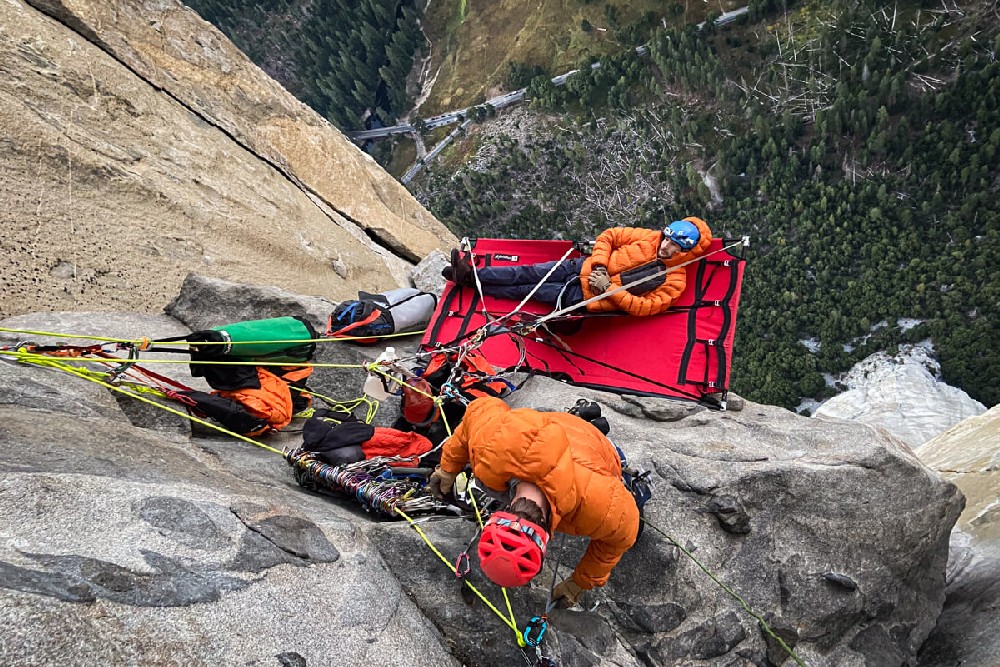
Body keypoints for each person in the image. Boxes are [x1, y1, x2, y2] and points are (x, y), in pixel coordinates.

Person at [427, 396, 640, 608]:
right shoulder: (490, 455)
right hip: (542, 428)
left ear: (546, 539)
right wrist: (448, 468)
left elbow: (625, 532)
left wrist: (580, 583)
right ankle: (579, 418)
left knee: (637, 518)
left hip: (594, 445)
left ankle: (590, 427)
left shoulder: (596, 503)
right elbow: (479, 408)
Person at [444, 217, 712, 317]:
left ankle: (475, 286)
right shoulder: (648, 237)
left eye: (674, 245)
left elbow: (644, 308)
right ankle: (469, 275)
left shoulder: (676, 281)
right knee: (528, 272)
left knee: (528, 290)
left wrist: (608, 289)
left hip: (586, 296)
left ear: (685, 251)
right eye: (667, 239)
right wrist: (599, 265)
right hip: (581, 266)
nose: (665, 246)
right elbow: (610, 236)